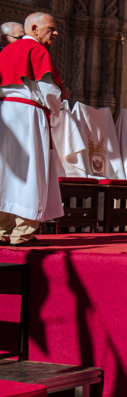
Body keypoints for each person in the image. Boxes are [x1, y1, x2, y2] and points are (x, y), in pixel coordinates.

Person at [0, 13, 67, 245]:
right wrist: (62, 96)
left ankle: (3, 231)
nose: (56, 32)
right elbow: (49, 93)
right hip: (28, 115)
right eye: (52, 28)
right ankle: (23, 233)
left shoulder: (5, 52)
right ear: (35, 29)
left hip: (5, 115)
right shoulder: (37, 51)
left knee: (6, 173)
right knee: (31, 172)